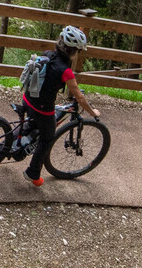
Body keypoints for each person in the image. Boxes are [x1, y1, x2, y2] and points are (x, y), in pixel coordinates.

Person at [21, 25, 102, 187]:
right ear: (74, 51)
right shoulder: (66, 71)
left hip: (27, 99)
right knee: (47, 137)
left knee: (36, 124)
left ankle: (22, 137)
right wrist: (92, 112)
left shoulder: (48, 55)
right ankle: (33, 173)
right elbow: (78, 96)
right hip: (42, 108)